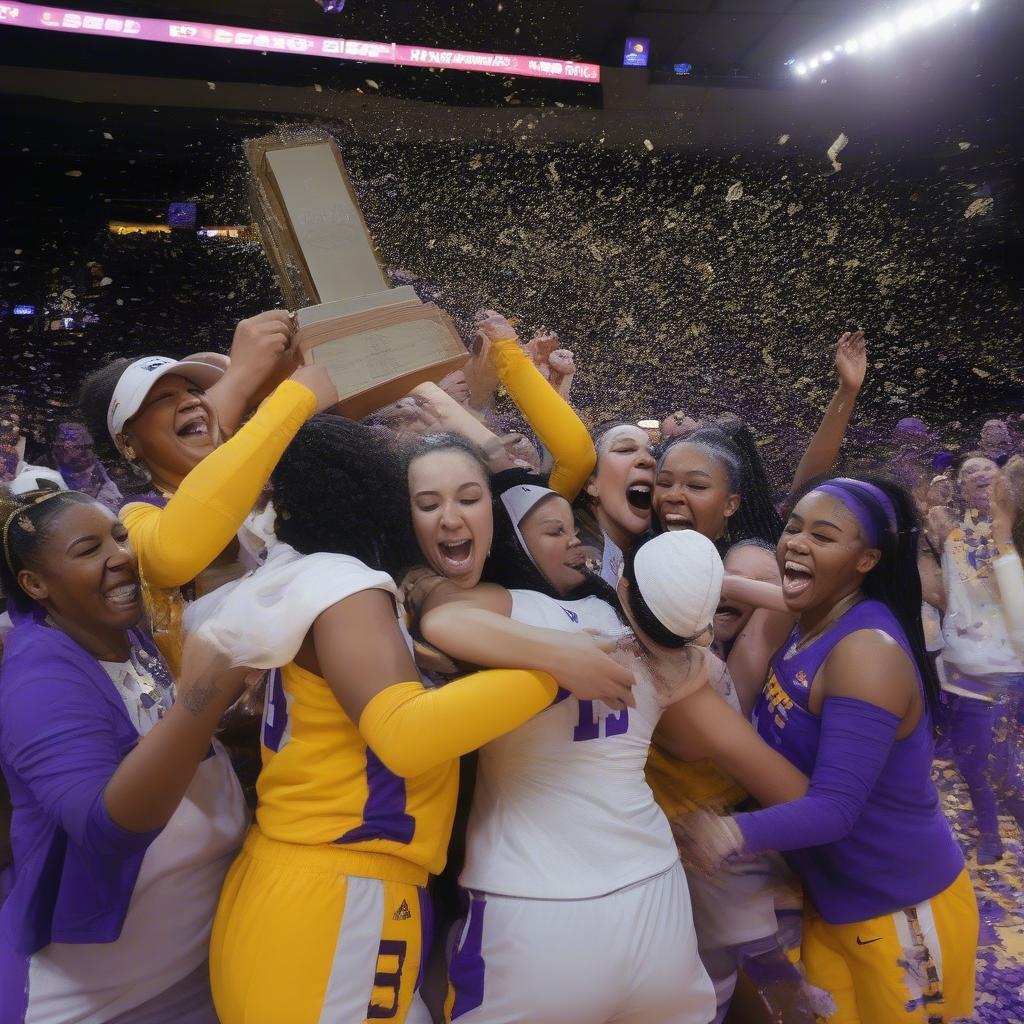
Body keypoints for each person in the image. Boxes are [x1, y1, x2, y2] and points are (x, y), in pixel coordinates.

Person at [181, 416, 627, 1024]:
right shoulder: (354, 593)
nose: (448, 516)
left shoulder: (330, 577)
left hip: (339, 883)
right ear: (389, 508)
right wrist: (555, 669)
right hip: (341, 888)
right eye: (422, 501)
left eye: (469, 498)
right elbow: (406, 734)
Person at [403, 435, 809, 1024]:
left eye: (575, 529)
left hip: (533, 910)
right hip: (655, 900)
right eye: (553, 531)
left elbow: (443, 618)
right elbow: (779, 781)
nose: (576, 542)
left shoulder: (501, 611)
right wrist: (737, 830)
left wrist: (560, 656)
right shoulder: (637, 637)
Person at [676, 476, 979, 1024]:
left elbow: (836, 810)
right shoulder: (810, 617)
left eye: (823, 535)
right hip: (835, 907)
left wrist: (731, 835)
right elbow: (756, 589)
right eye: (792, 529)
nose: (796, 543)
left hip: (902, 909)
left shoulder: (865, 652)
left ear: (866, 560)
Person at [0, 487, 249, 1024]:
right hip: (98, 1001)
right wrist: (207, 691)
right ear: (35, 584)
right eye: (88, 549)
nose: (121, 555)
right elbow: (106, 825)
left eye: (118, 536)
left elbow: (161, 739)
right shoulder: (39, 678)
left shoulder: (124, 632)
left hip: (194, 965)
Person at [78, 347, 336, 673]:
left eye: (195, 391)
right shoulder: (133, 517)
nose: (192, 401)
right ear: (127, 443)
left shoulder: (270, 480)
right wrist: (294, 399)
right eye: (164, 398)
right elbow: (173, 554)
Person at [940, 453, 1024, 862]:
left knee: (1005, 768)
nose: (979, 476)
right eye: (968, 472)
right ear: (960, 487)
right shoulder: (953, 536)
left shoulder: (1015, 535)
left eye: (987, 470)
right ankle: (989, 832)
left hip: (1007, 671)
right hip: (961, 670)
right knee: (971, 762)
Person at [51, 421, 124, 512]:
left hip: (92, 498)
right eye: (67, 441)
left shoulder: (91, 459)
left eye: (75, 440)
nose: (70, 445)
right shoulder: (50, 460)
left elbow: (106, 482)